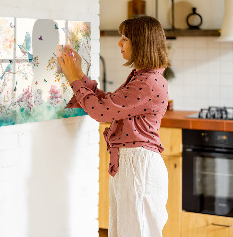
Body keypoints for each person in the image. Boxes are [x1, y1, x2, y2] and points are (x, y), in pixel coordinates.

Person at [58, 15, 170, 237]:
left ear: (141, 43)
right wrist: (79, 74)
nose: (119, 43)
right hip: (133, 164)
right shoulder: (143, 77)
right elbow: (108, 104)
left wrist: (73, 79)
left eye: (125, 38)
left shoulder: (147, 82)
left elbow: (101, 112)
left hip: (138, 166)